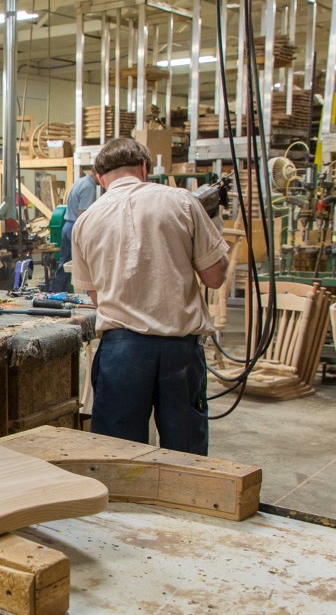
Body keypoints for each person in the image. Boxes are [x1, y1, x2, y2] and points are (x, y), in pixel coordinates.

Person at [71, 138, 228, 455]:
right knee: (185, 457)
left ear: (100, 178)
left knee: (117, 457)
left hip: (122, 352)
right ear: (144, 168)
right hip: (179, 352)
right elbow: (215, 277)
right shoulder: (183, 202)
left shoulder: (86, 220)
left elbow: (97, 298)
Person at [49, 171, 99, 293]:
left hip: (68, 225)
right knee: (81, 264)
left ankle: (55, 292)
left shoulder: (80, 181)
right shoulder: (89, 186)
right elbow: (83, 214)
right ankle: (58, 293)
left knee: (64, 263)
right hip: (76, 227)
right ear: (98, 174)